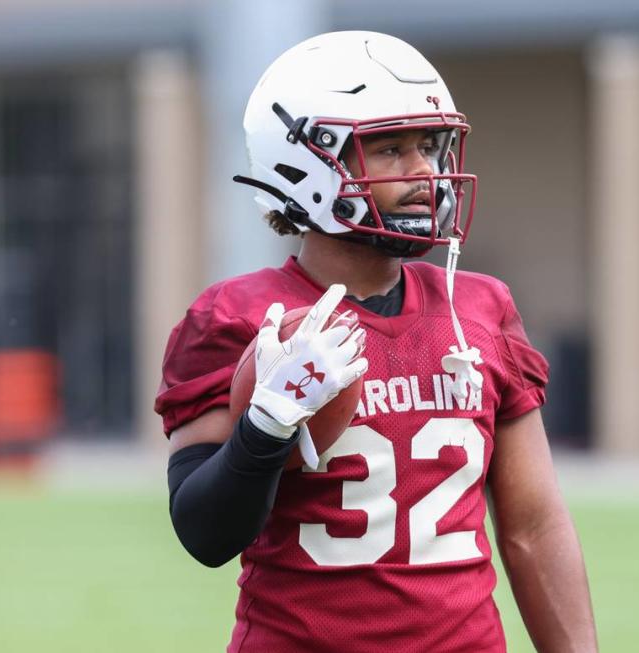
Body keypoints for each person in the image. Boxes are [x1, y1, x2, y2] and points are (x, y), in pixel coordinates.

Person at [155, 31, 597, 652]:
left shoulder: (479, 306)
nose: (424, 173)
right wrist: (266, 425)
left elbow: (533, 526)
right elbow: (205, 535)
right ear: (303, 162)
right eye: (389, 149)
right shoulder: (241, 318)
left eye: (429, 146)